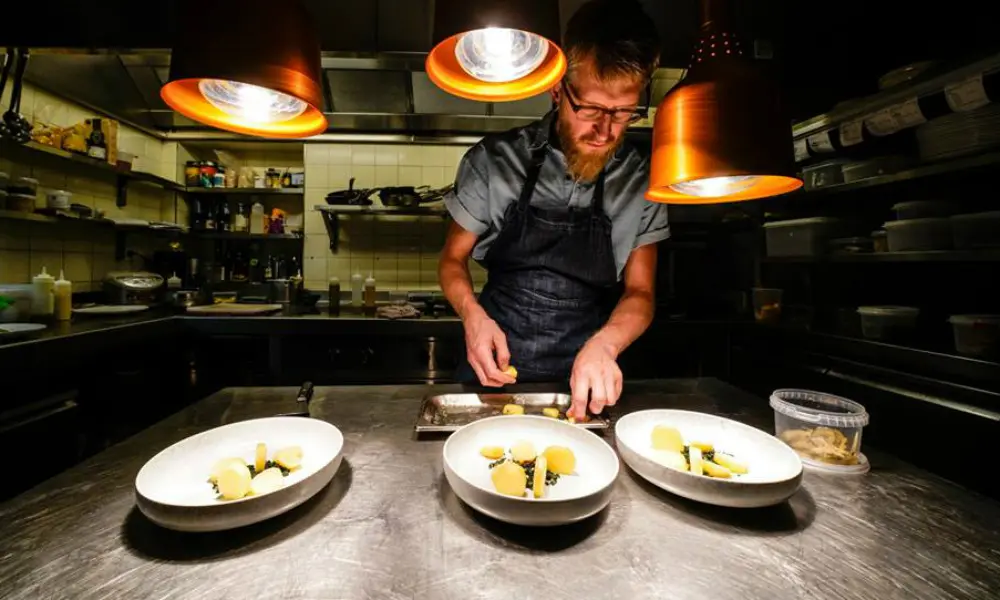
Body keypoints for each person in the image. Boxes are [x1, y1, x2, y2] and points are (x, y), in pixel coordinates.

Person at [438, 0, 669, 420]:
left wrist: (606, 346)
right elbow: (452, 260)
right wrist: (473, 317)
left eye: (622, 113)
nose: (605, 130)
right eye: (591, 110)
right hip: (491, 368)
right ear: (558, 90)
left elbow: (641, 292)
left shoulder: (642, 180)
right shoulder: (495, 160)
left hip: (587, 380)